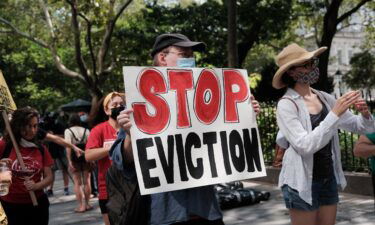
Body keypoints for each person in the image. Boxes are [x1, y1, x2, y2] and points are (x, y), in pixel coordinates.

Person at [109, 33, 260, 225]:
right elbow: (122, 161)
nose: (190, 59)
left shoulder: (207, 95)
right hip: (166, 212)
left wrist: (246, 114)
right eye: (184, 54)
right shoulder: (141, 100)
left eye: (192, 55)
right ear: (163, 58)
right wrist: (131, 135)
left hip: (206, 209)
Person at [272, 43, 375, 225]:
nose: (312, 67)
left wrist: (365, 115)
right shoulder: (287, 104)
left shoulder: (324, 97)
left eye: (313, 62)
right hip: (301, 182)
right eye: (306, 64)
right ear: (291, 72)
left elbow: (359, 127)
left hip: (328, 178)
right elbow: (304, 146)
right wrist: (334, 114)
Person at [0, 107, 54, 225]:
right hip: (10, 206)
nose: (33, 130)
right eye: (28, 126)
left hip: (38, 205)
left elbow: (49, 177)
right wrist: (1, 165)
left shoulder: (41, 149)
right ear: (18, 125)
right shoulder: (4, 145)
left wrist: (36, 186)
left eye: (35, 126)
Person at [85, 92, 125, 225]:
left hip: (131, 187)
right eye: (115, 105)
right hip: (108, 190)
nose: (119, 107)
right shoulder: (99, 130)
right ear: (107, 110)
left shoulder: (132, 128)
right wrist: (113, 147)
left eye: (121, 104)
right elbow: (88, 155)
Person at [64, 113, 93, 213]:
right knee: (87, 181)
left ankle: (81, 206)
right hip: (86, 156)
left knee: (77, 183)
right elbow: (90, 145)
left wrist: (69, 161)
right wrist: (92, 158)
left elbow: (68, 146)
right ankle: (88, 204)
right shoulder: (86, 130)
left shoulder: (68, 131)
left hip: (74, 157)